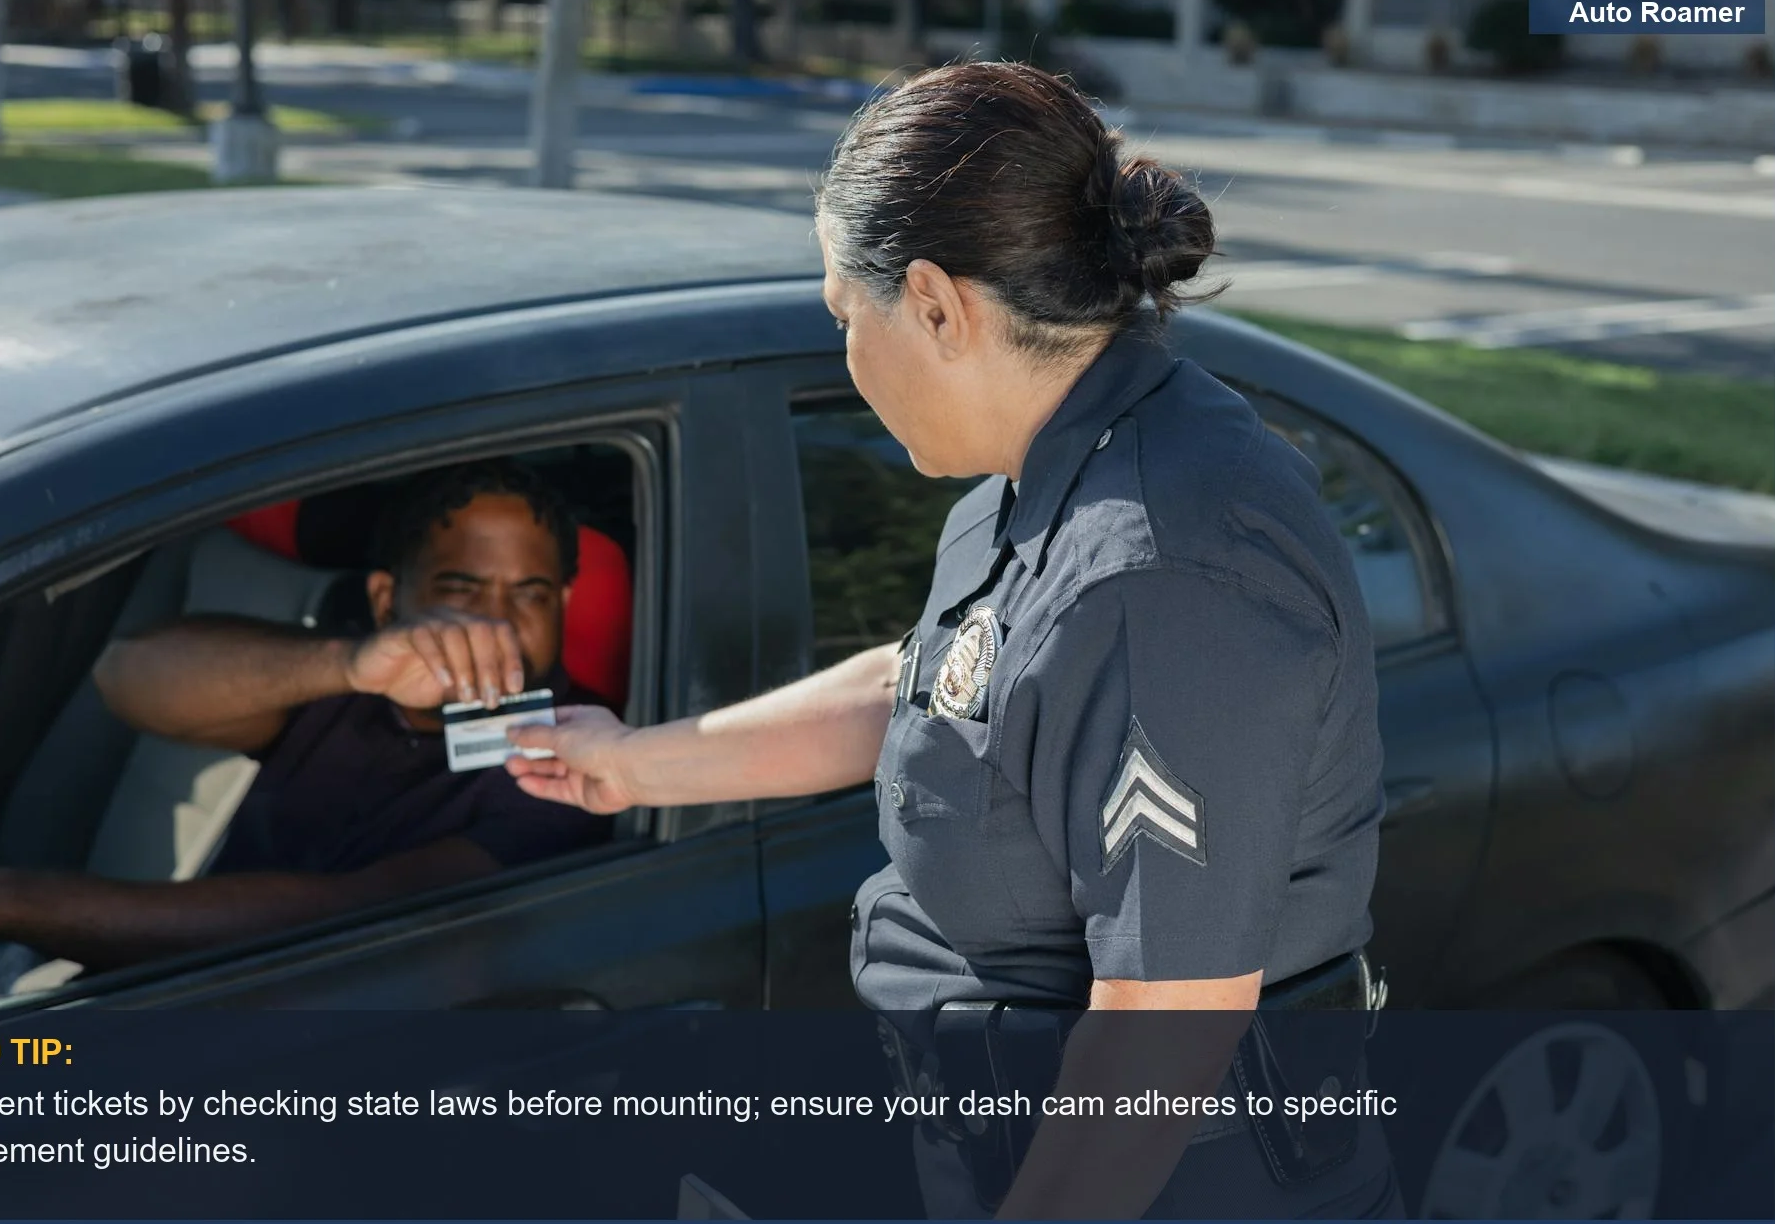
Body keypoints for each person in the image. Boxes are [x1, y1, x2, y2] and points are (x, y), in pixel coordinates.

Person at [504, 64, 1400, 1219]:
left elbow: (1163, 1024)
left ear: (932, 302)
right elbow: (938, 685)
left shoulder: (1155, 575)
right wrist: (629, 760)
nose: (843, 354)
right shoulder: (1053, 463)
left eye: (843, 314)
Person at [0, 460, 612, 975]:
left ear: (566, 604)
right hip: (147, 998)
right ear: (385, 598)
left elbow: (337, 918)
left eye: (530, 594)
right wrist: (347, 663)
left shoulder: (575, 754)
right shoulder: (361, 677)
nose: (492, 620)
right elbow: (126, 678)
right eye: (460, 588)